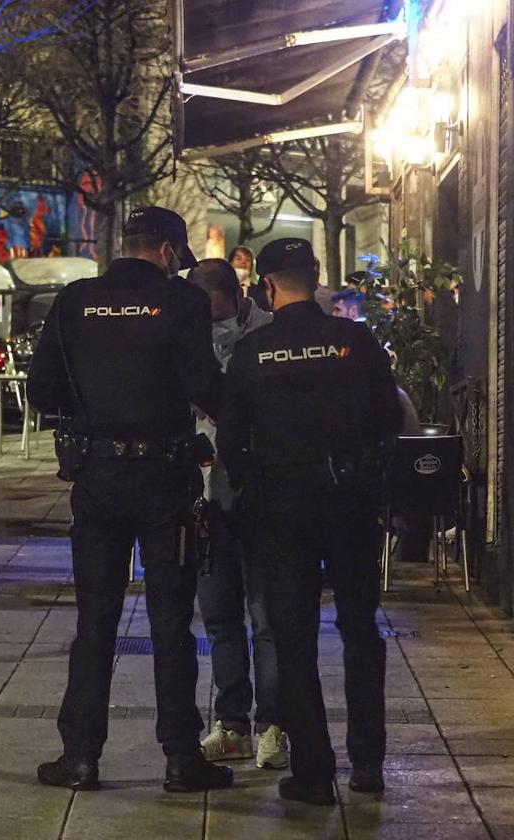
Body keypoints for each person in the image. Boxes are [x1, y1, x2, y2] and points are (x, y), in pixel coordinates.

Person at [27, 206, 229, 794]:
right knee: (171, 620)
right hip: (166, 480)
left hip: (98, 477)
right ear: (168, 250)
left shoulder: (73, 301)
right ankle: (180, 758)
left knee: (95, 621)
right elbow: (203, 386)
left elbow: (43, 389)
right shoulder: (184, 302)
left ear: (128, 244)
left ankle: (81, 757)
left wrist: (89, 416)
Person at [219, 237, 403, 805]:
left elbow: (231, 438)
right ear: (317, 276)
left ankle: (314, 772)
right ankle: (367, 764)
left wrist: (259, 485)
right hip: (349, 503)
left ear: (267, 287)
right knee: (359, 630)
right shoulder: (355, 340)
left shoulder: (255, 352)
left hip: (281, 509)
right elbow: (388, 416)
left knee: (294, 639)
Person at [186, 260, 287, 770]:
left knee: (267, 617)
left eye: (212, 309)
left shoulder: (270, 336)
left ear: (236, 295)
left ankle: (274, 725)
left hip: (259, 493)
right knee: (221, 616)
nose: (206, 321)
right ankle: (231, 725)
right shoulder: (187, 338)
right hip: (205, 495)